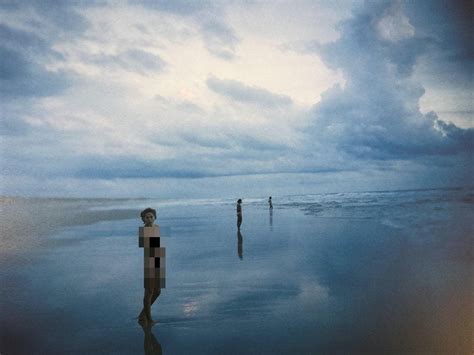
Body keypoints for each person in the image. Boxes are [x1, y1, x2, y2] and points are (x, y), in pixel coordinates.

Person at [138, 207, 164, 326]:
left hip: (158, 259)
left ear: (155, 217)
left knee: (158, 291)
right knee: (149, 291)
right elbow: (146, 247)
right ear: (143, 219)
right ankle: (149, 319)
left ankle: (142, 314)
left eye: (151, 216)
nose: (149, 219)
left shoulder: (157, 227)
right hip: (149, 261)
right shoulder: (143, 230)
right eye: (147, 217)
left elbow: (158, 245)